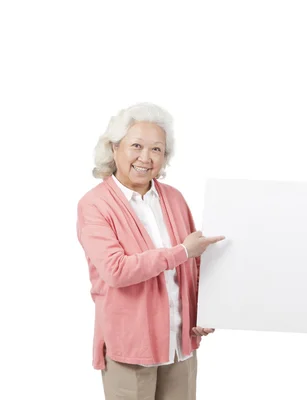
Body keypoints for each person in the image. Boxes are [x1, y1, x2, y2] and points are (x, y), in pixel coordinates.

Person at [76, 102, 224, 400]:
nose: (146, 158)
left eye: (157, 149)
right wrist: (181, 251)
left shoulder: (174, 198)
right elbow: (116, 271)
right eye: (136, 146)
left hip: (179, 344)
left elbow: (193, 267)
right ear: (114, 148)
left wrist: (202, 311)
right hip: (130, 348)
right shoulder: (94, 205)